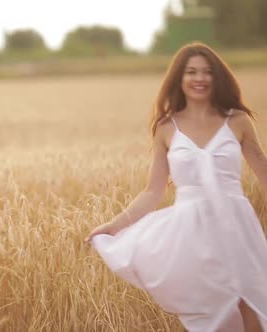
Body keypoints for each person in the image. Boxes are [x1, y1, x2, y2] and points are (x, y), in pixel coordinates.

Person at [85, 42, 267, 332]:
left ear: (217, 77)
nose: (200, 78)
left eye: (207, 72)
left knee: (250, 303)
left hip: (236, 227)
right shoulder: (167, 128)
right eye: (191, 72)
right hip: (191, 232)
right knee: (211, 311)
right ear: (179, 79)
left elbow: (263, 172)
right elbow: (152, 192)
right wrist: (115, 225)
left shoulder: (238, 121)